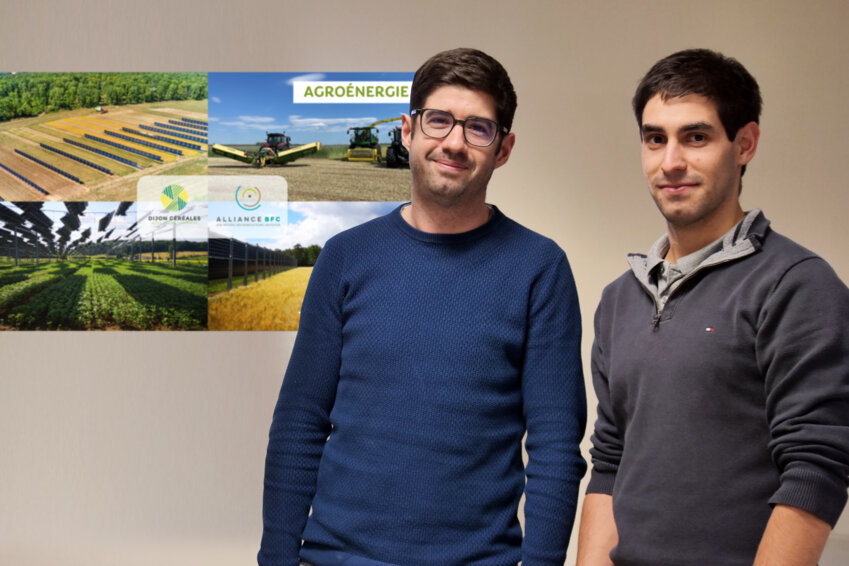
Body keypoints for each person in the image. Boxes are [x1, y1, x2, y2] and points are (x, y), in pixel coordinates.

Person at [259, 48, 586, 566]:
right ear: (408, 131)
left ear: (503, 149)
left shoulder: (540, 269)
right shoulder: (344, 257)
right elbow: (300, 423)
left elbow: (556, 446)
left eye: (478, 128)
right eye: (439, 121)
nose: (454, 142)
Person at [576, 48, 849, 566]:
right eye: (655, 139)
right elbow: (609, 460)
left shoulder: (796, 285)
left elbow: (817, 467)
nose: (671, 162)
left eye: (696, 137)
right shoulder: (620, 299)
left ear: (744, 144)